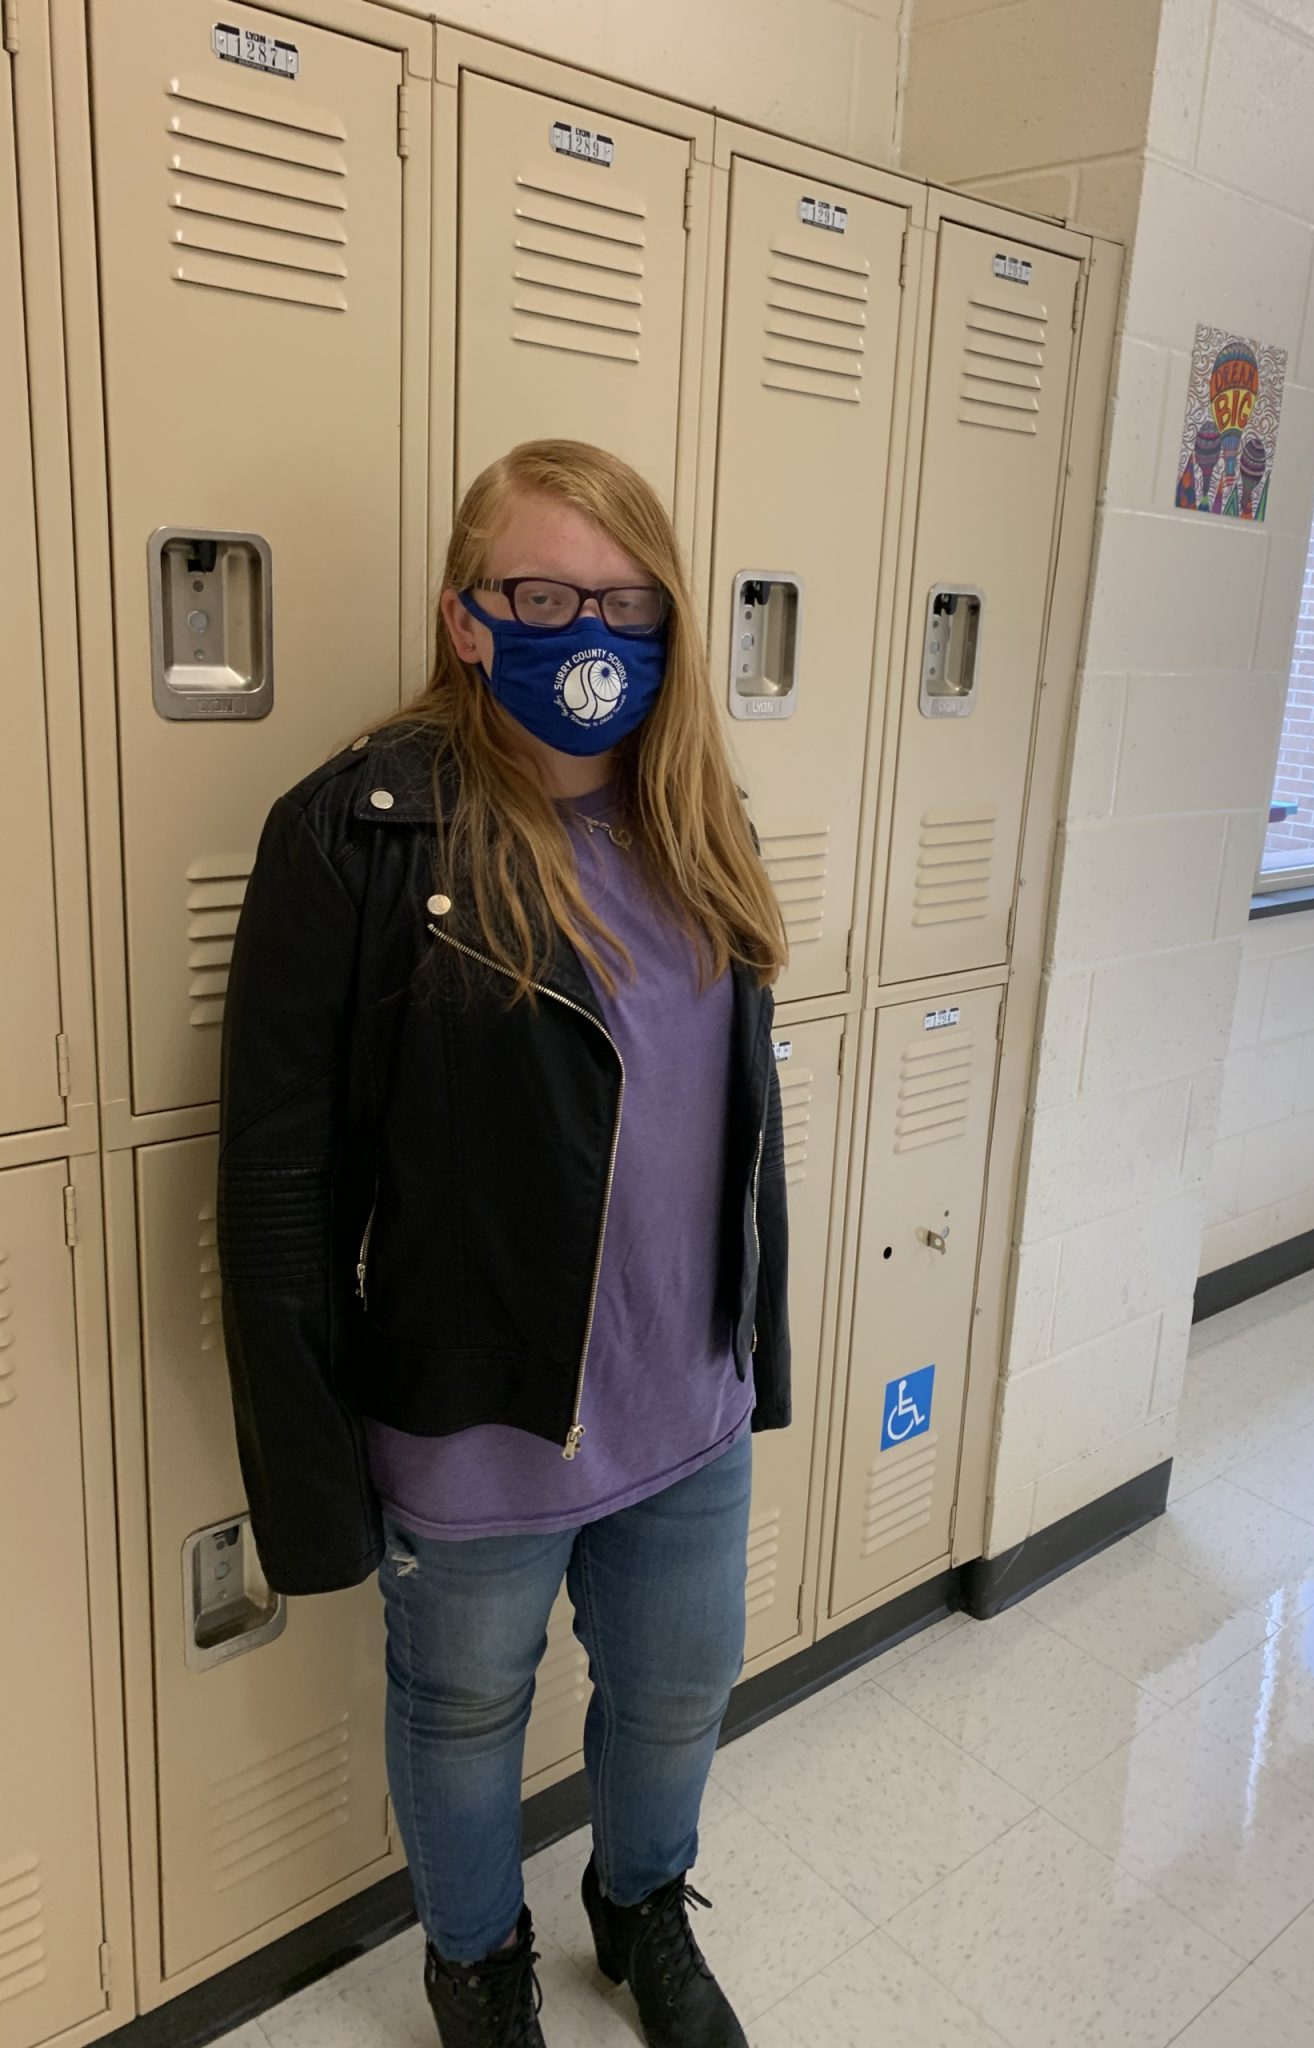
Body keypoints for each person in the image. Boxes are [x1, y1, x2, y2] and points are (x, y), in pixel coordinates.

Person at [217, 439, 791, 2048]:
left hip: (686, 1398)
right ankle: (474, 1964)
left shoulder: (698, 816)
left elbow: (735, 1124)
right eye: (543, 595)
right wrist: (310, 1474)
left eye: (625, 599)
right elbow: (278, 1184)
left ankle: (641, 1902)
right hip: (477, 1416)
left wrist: (761, 1345)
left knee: (676, 1693)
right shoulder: (358, 832)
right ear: (466, 616)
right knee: (464, 1710)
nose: (589, 631)